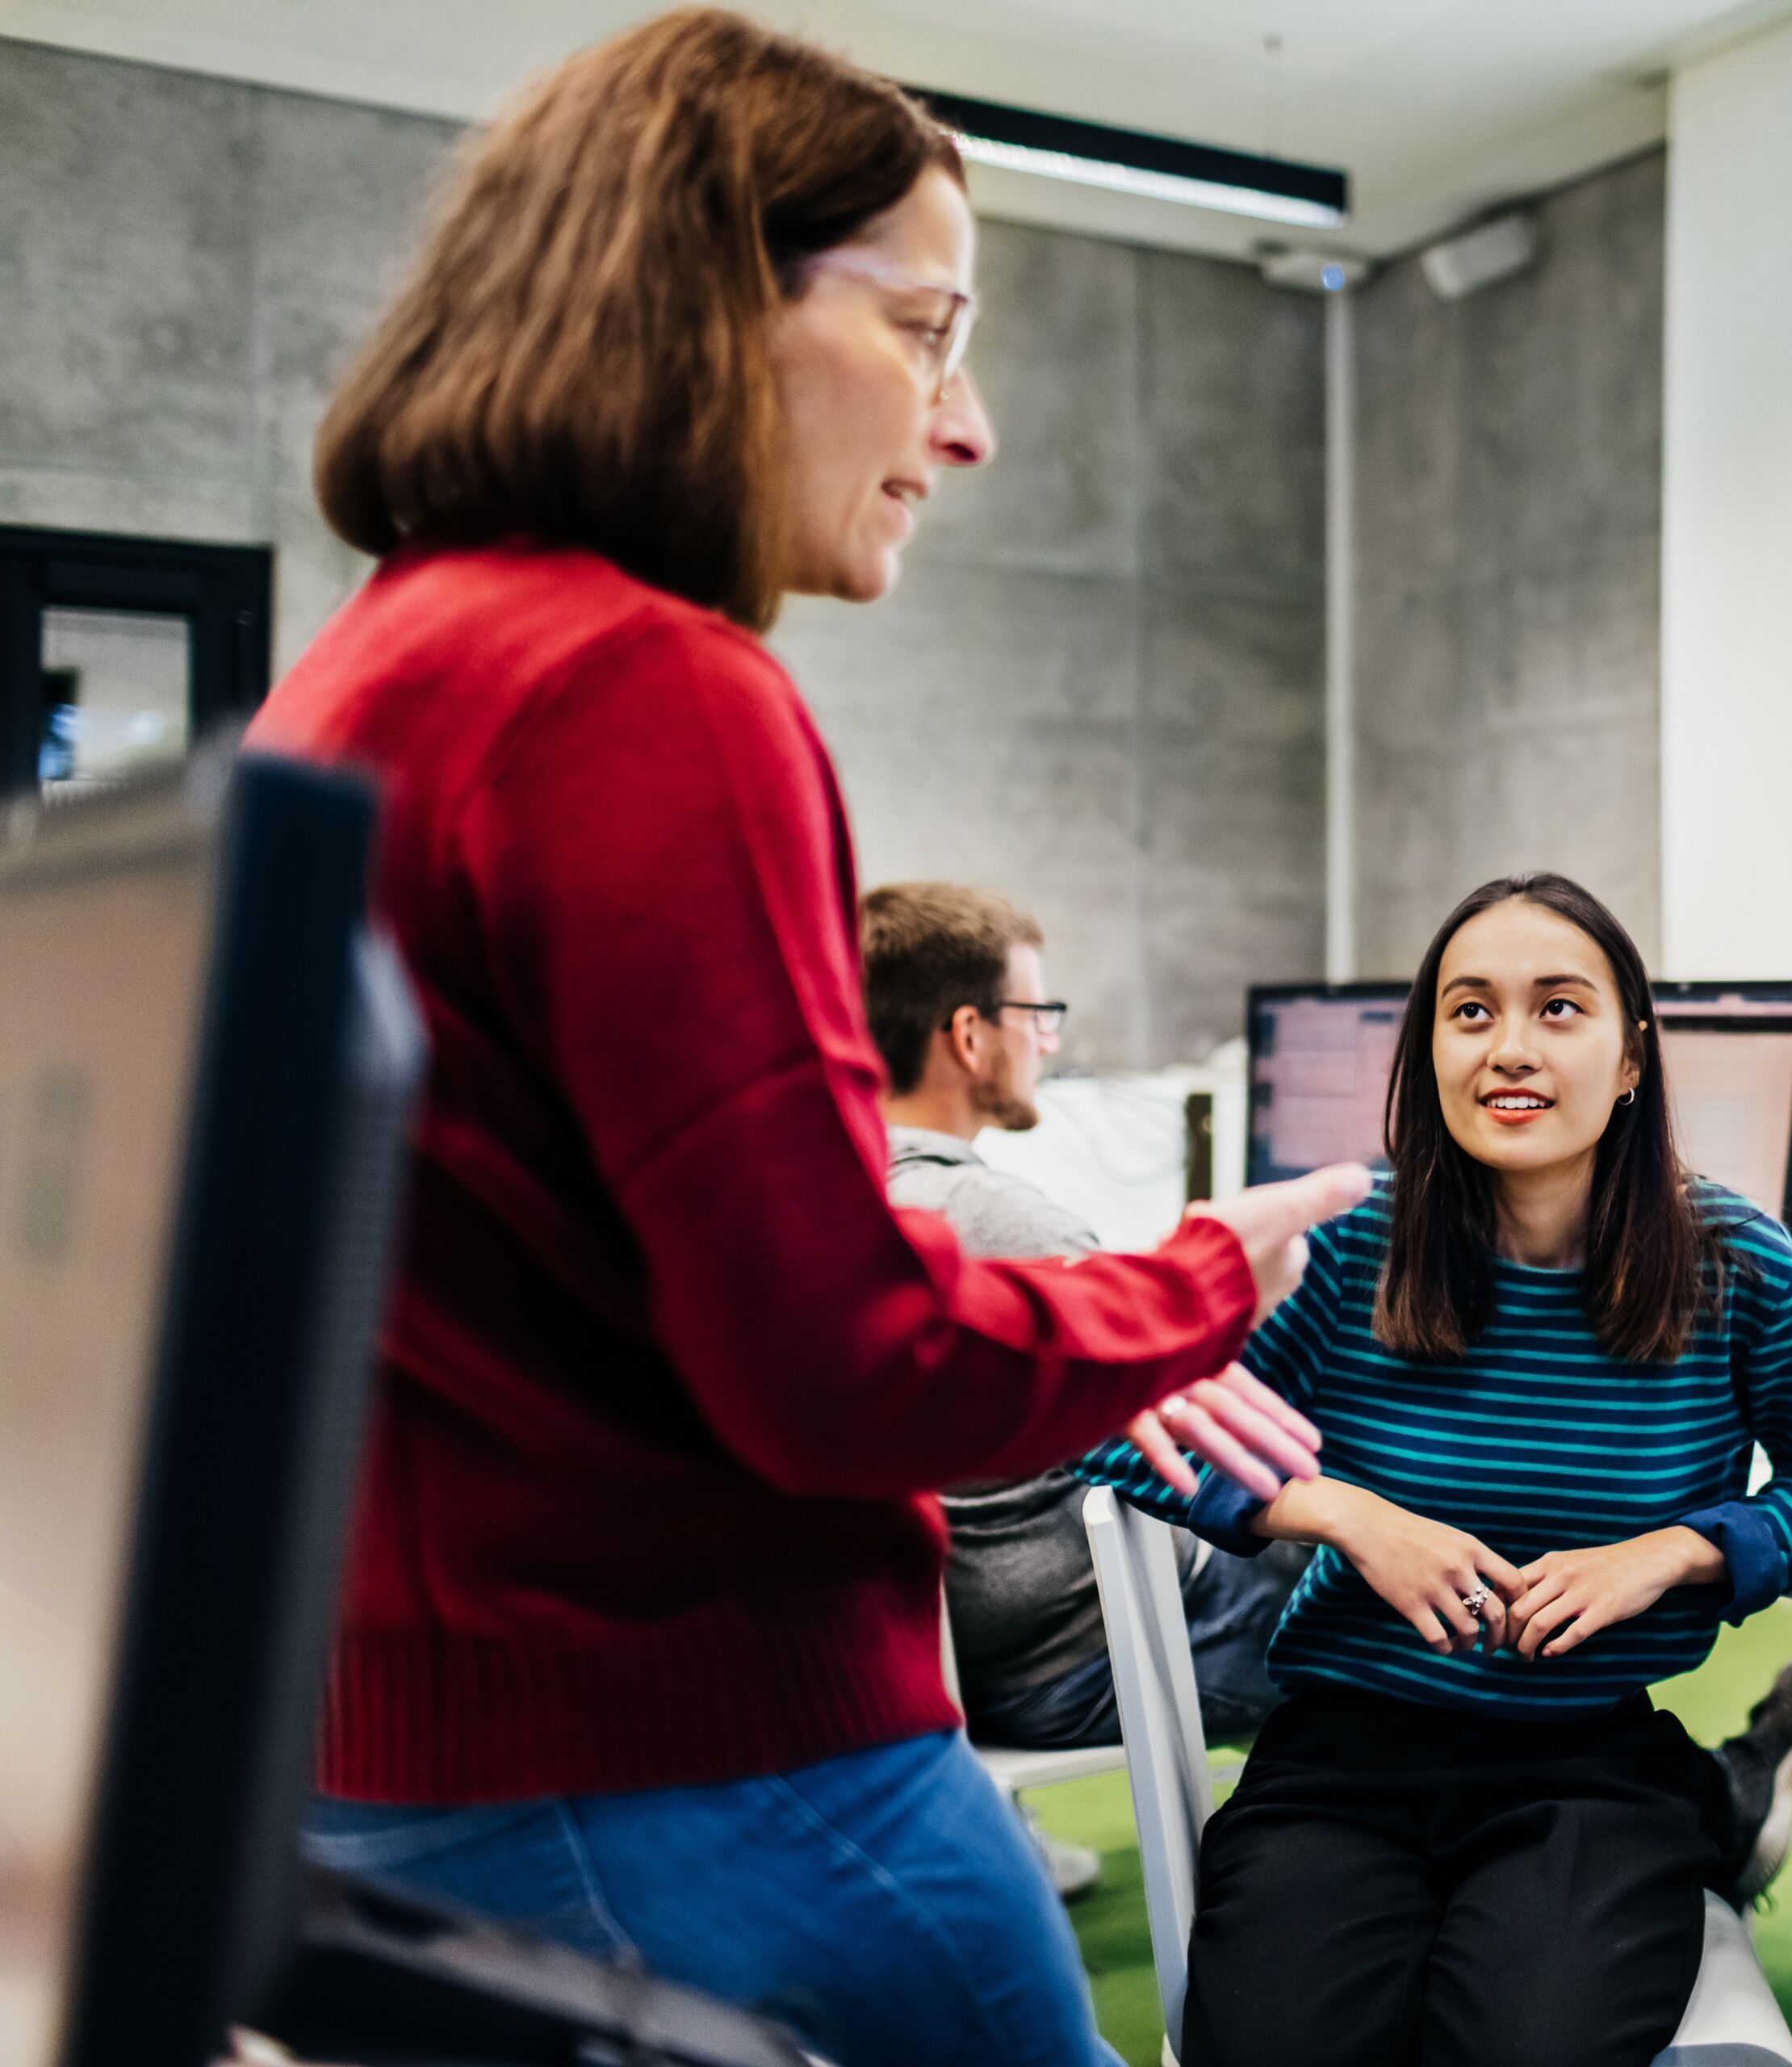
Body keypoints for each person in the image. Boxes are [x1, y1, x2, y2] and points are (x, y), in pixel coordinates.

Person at [249, 15, 1359, 2065]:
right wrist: (1207, 1282)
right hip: (688, 1754)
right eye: (929, 330)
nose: (971, 424)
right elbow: (842, 1357)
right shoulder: (648, 687)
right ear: (708, 301)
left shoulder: (372, 666)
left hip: (392, 1752)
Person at [1081, 872, 1792, 2067]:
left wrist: (1672, 1554)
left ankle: (1697, 1809)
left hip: (1585, 1764)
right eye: (1471, 1012)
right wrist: (1342, 1513)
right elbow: (1124, 1421)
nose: (1510, 1047)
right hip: (1340, 1757)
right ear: (1428, 1056)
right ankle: (1720, 1807)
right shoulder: (1349, 1241)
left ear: (1631, 1060)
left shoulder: (1738, 1262)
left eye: (1558, 1009)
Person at [860, 881, 1306, 1896]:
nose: (1049, 1043)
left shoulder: (841, 1197)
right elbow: (1199, 1414)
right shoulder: (997, 1222)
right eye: (1037, 1016)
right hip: (1072, 1666)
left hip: (941, 1664)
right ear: (969, 1036)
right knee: (1409, 1587)